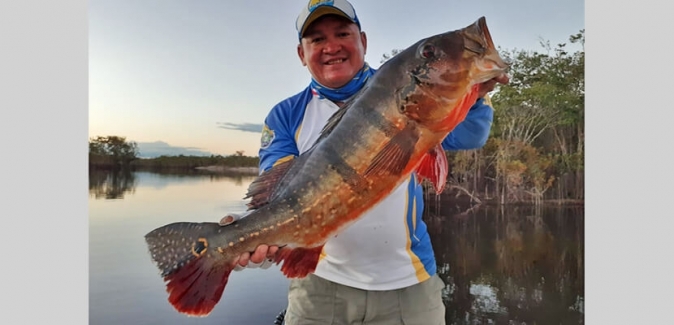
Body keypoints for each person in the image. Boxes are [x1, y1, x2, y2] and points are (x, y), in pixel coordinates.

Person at [224, 0, 509, 324]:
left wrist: (475, 92)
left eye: (342, 33)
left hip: (409, 282)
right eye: (316, 39)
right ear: (302, 54)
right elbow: (277, 188)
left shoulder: (398, 89)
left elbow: (471, 134)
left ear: (363, 41)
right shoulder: (286, 115)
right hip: (319, 284)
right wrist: (248, 233)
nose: (331, 46)